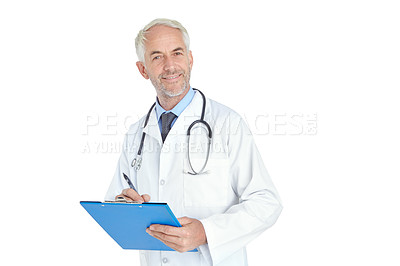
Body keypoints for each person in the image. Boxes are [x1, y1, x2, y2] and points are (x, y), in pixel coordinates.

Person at [105, 18, 283, 266]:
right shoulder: (136, 134)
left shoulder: (227, 124)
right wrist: (126, 205)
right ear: (143, 69)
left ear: (190, 58)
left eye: (177, 53)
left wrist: (207, 233)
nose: (170, 66)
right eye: (157, 57)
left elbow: (266, 202)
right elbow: (116, 200)